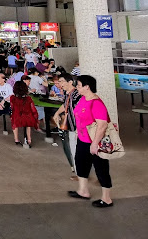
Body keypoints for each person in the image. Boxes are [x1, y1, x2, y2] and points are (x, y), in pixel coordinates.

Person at [68, 75, 113, 208]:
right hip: (83, 139)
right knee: (81, 163)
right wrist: (78, 131)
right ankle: (83, 191)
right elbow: (79, 116)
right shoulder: (83, 99)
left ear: (87, 87)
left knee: (101, 169)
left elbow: (102, 125)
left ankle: (106, 198)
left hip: (95, 142)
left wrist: (94, 144)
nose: (77, 87)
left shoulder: (96, 103)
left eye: (79, 85)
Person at [53, 73, 80, 180]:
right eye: (59, 82)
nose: (60, 84)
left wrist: (79, 128)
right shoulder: (68, 93)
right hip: (72, 127)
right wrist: (57, 113)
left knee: (77, 151)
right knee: (74, 150)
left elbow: (80, 112)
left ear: (70, 82)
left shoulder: (77, 95)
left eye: (62, 81)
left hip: (77, 128)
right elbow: (65, 105)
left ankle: (81, 174)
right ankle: (79, 173)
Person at [10, 80, 38, 147]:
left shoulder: (12, 98)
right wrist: (35, 116)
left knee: (14, 123)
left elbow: (12, 107)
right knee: (28, 125)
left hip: (17, 117)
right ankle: (29, 140)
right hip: (28, 117)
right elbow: (33, 109)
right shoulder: (28, 98)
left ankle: (16, 139)